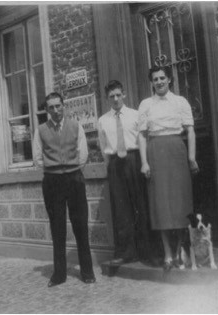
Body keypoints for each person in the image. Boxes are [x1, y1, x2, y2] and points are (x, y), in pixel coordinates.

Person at [138, 66, 199, 271]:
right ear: (152, 83)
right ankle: (167, 254)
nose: (159, 81)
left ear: (169, 80)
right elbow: (142, 135)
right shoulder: (146, 104)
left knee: (180, 202)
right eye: (155, 79)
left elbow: (190, 131)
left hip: (176, 150)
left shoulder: (180, 102)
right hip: (155, 151)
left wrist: (191, 157)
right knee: (161, 204)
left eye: (162, 78)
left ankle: (181, 250)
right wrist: (144, 162)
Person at [33, 92, 96, 287]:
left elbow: (83, 153)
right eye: (51, 107)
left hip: (74, 178)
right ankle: (59, 274)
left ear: (63, 106)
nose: (55, 110)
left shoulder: (76, 126)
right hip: (52, 181)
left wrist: (70, 169)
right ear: (47, 110)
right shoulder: (41, 130)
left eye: (58, 106)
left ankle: (87, 272)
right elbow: (37, 157)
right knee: (57, 227)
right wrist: (53, 169)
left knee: (80, 225)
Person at [97, 80, 155, 265]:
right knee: (121, 209)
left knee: (142, 205)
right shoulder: (103, 120)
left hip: (135, 158)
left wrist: (143, 162)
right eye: (111, 96)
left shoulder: (135, 115)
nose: (115, 99)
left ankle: (147, 251)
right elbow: (103, 146)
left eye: (118, 95)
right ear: (107, 98)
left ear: (124, 94)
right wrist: (111, 165)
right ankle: (126, 252)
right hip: (116, 163)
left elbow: (144, 139)